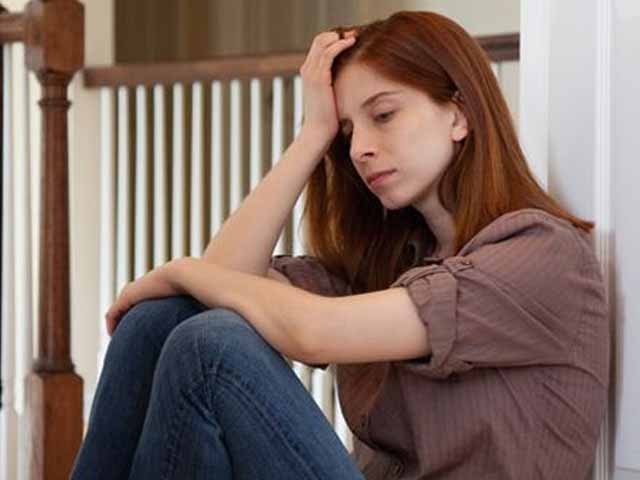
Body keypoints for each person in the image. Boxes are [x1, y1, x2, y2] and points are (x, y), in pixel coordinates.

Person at [71, 10, 609, 480]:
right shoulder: (391, 262)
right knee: (162, 318)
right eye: (348, 132)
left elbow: (312, 333)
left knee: (209, 348)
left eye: (384, 115)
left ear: (459, 114)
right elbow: (220, 284)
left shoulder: (542, 255)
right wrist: (312, 136)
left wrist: (181, 268)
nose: (360, 150)